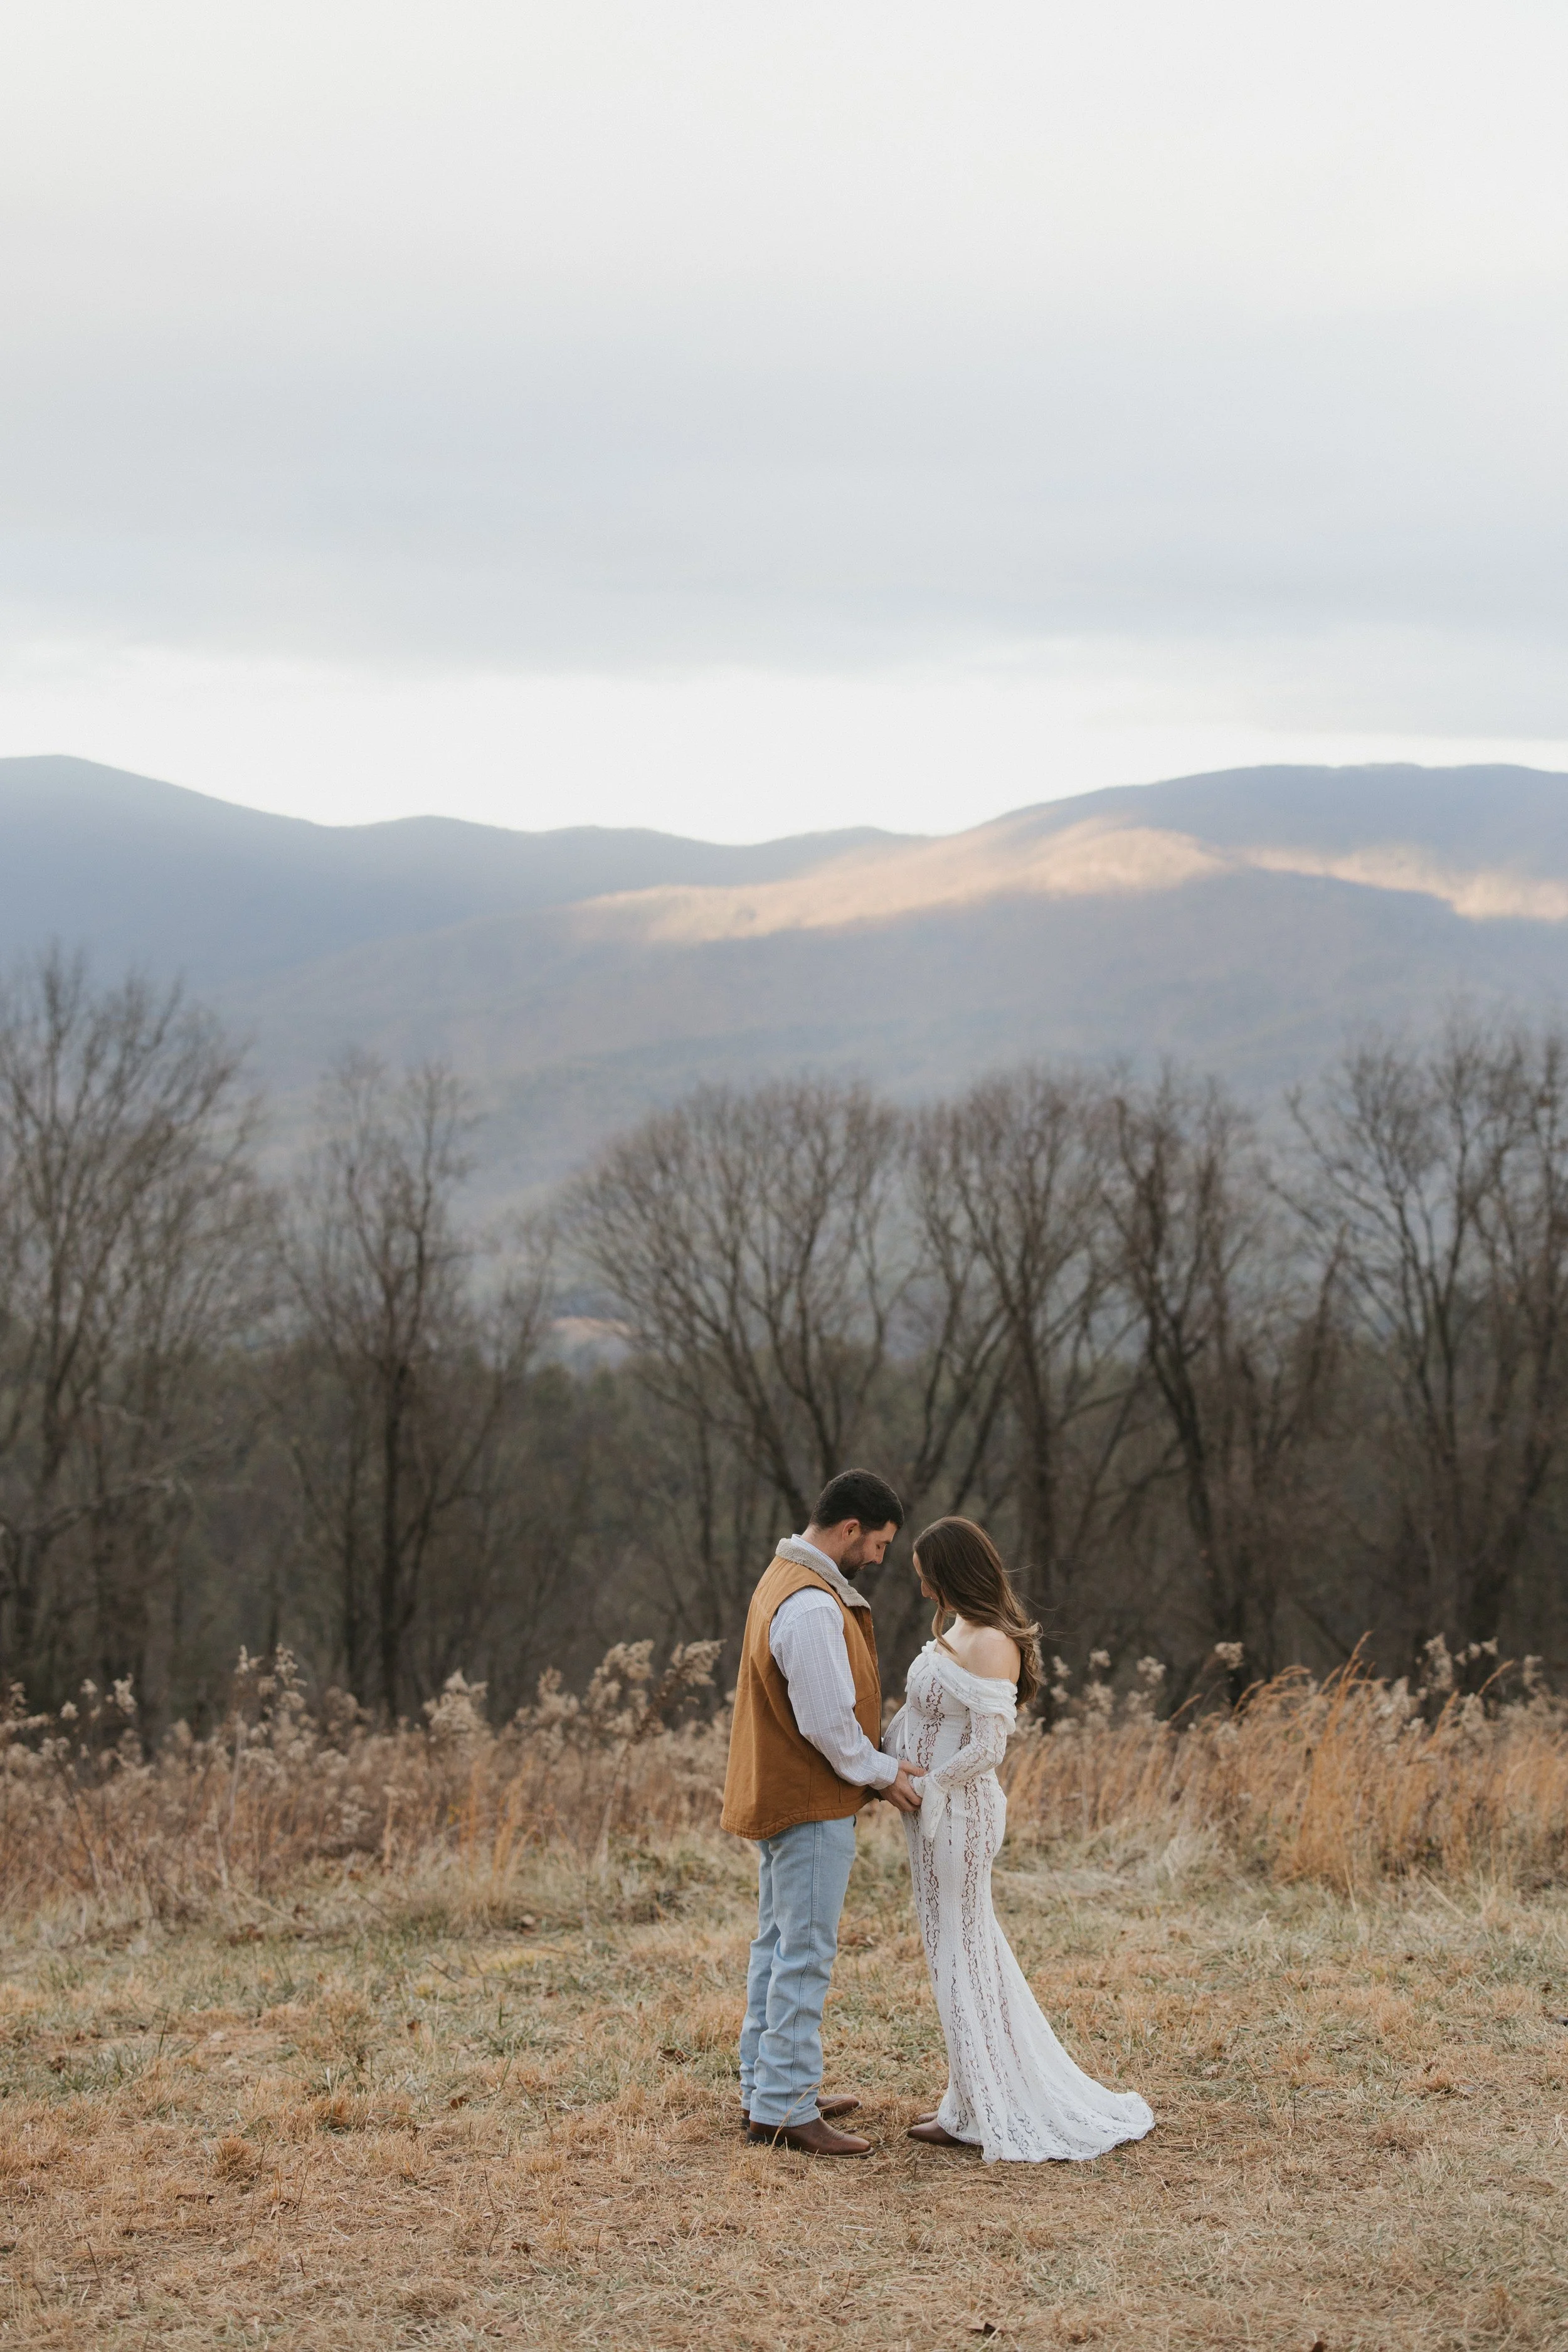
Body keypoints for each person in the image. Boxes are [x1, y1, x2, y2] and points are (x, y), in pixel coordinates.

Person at [884, 1515, 1155, 2163]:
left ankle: (985, 2105)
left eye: (928, 1579)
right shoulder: (958, 1630)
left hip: (959, 1815)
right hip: (930, 1817)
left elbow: (986, 1746)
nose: (923, 1593)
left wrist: (927, 1787)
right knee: (955, 1949)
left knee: (960, 1952)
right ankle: (971, 2097)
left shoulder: (992, 1643)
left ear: (952, 1573)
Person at [720, 1467, 923, 2156]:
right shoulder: (809, 1605)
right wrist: (884, 1772)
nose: (878, 1558)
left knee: (776, 1947)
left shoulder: (786, 1578)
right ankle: (783, 2107)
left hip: (789, 1799)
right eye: (878, 1545)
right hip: (808, 1804)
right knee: (802, 1952)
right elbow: (830, 1727)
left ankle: (770, 2086)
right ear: (848, 1529)